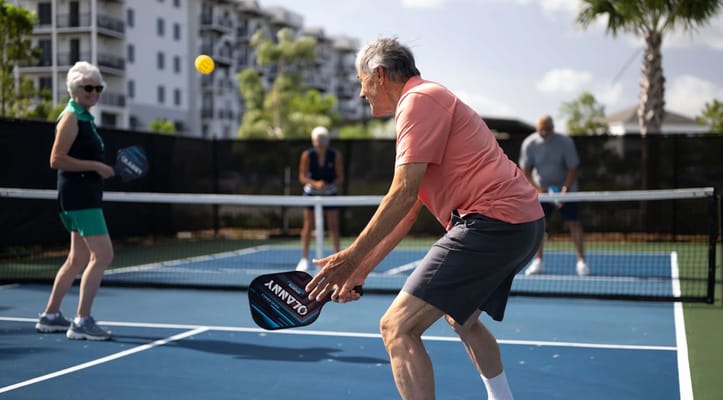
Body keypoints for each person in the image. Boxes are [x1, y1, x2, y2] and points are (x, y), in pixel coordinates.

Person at [305, 37, 545, 400]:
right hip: (520, 222)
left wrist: (350, 256)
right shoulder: (425, 101)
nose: (360, 92)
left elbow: (401, 193)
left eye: (362, 81)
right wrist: (360, 268)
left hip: (492, 222)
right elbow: (408, 209)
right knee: (460, 319)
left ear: (380, 75)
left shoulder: (418, 101)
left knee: (396, 327)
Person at [35, 61, 114, 341]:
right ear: (75, 89)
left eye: (98, 88)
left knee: (77, 258)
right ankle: (82, 320)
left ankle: (51, 315)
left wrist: (97, 168)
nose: (94, 92)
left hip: (80, 195)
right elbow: (56, 159)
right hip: (80, 197)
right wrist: (96, 166)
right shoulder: (71, 117)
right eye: (88, 87)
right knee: (103, 255)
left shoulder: (84, 116)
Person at [518, 115, 590, 277]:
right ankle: (538, 261)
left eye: (547, 129)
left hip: (567, 191)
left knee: (574, 223)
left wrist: (565, 190)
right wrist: (537, 189)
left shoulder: (565, 142)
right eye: (541, 129)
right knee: (539, 225)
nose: (544, 132)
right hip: (542, 192)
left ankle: (581, 262)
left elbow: (573, 168)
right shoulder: (529, 143)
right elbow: (525, 169)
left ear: (553, 127)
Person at [296, 126, 344, 272]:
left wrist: (328, 185)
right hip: (311, 194)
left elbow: (340, 177)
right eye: (318, 140)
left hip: (330, 194)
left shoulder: (335, 155)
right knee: (308, 226)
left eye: (323, 139)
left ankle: (337, 259)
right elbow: (302, 176)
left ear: (327, 141)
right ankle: (304, 259)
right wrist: (316, 184)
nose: (321, 143)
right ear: (313, 141)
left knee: (333, 226)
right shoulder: (307, 155)